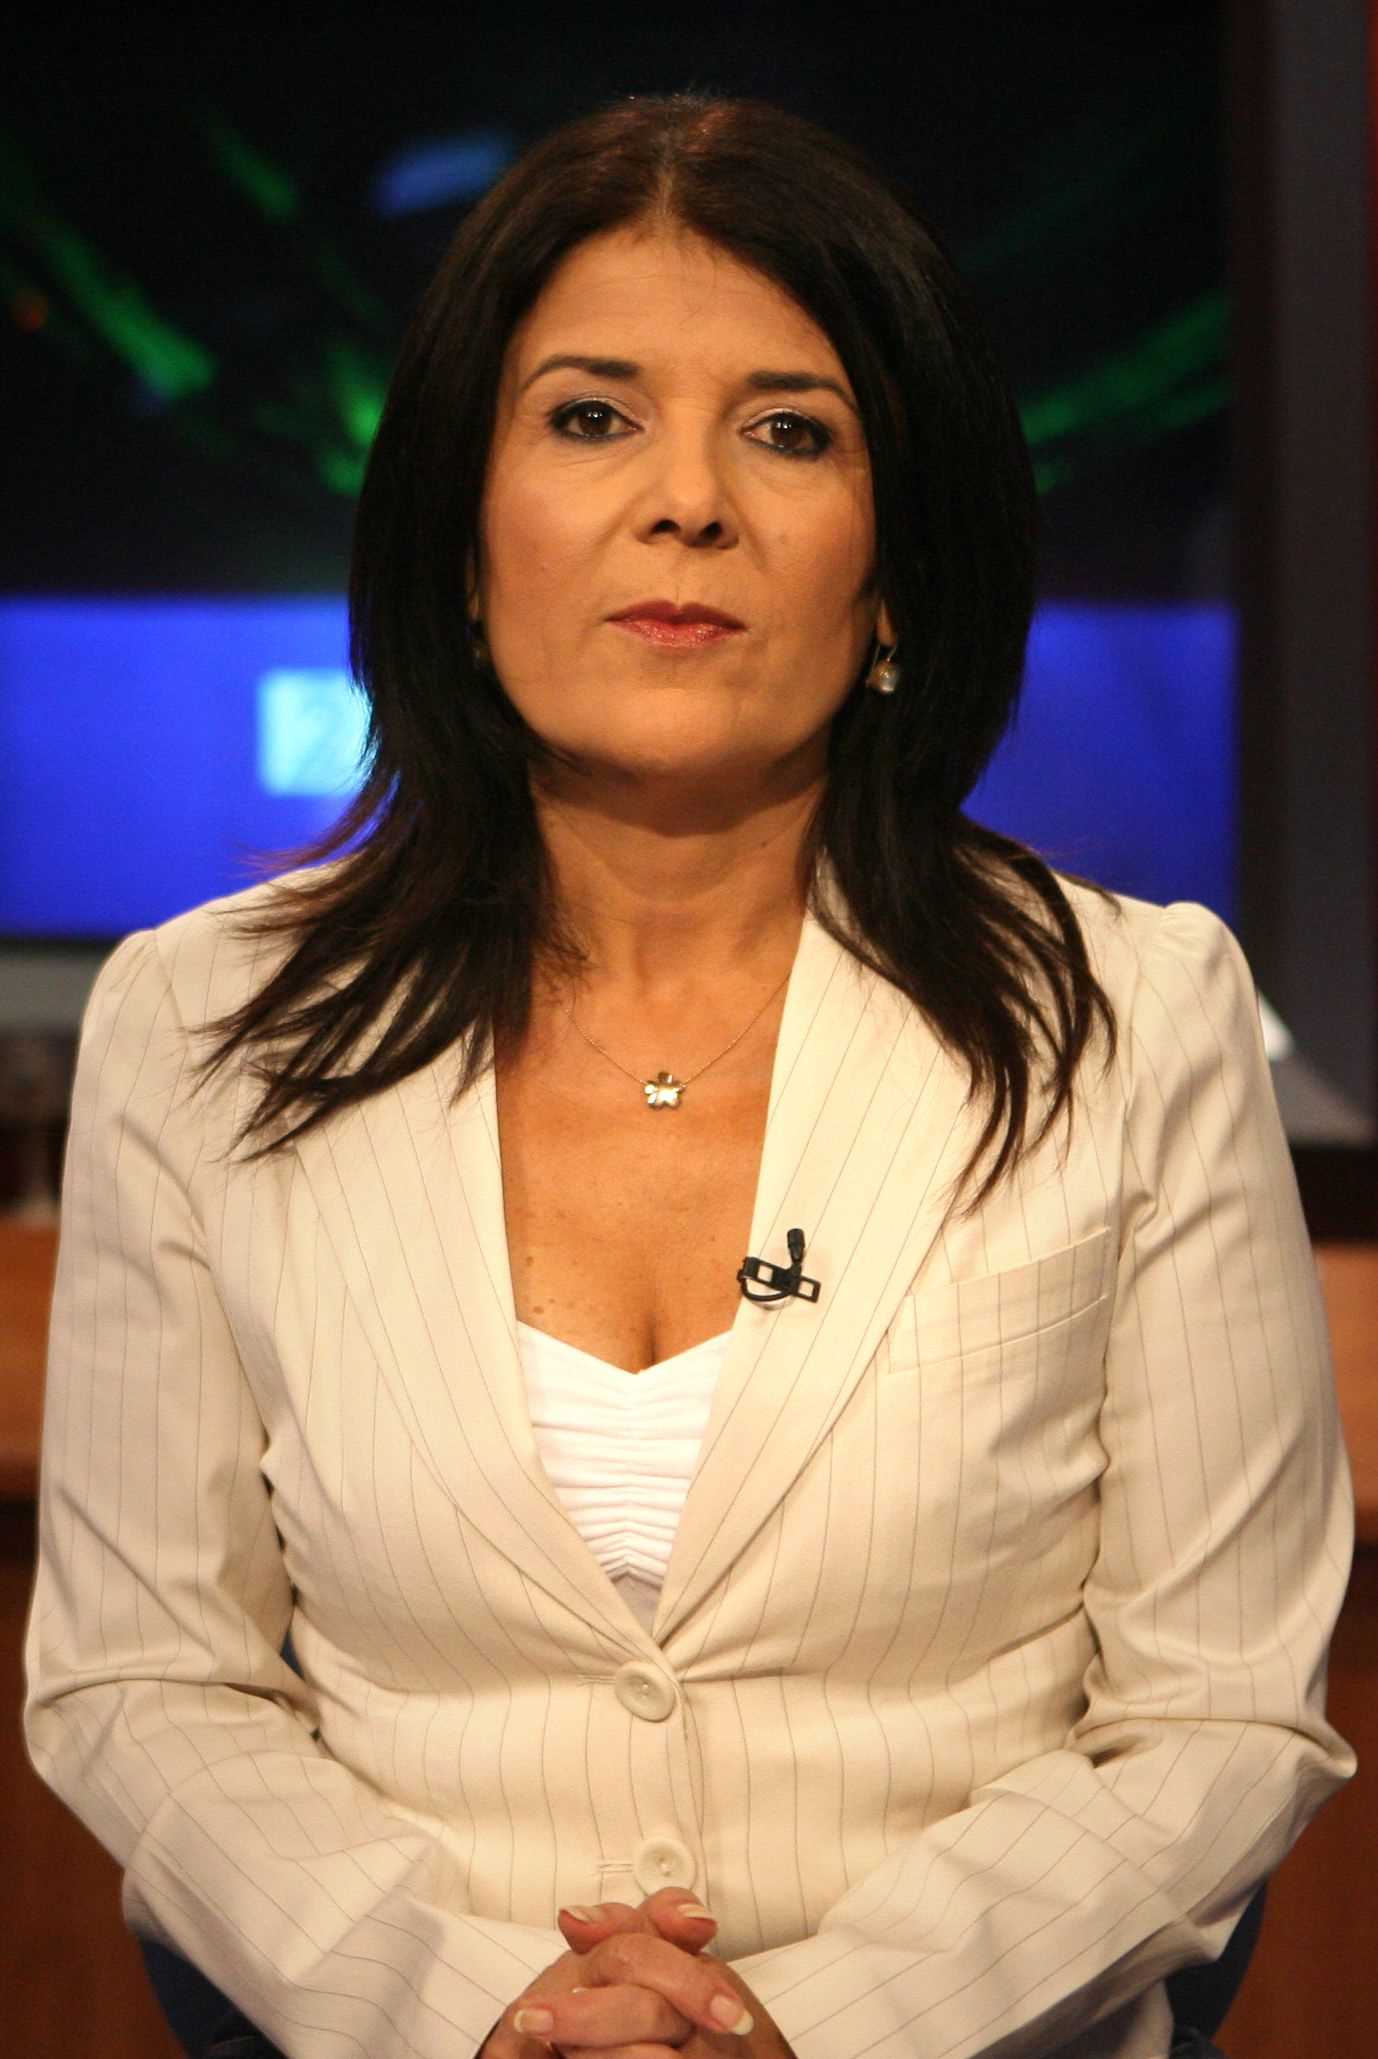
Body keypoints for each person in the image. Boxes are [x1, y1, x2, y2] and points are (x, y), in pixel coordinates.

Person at [24, 91, 1353, 2059]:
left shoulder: (1132, 1018)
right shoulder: (205, 1026)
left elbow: (1215, 1712)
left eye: (789, 431)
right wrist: (478, 2006)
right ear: (460, 533)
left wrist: (806, 2024)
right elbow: (143, 1679)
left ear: (892, 570)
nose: (687, 503)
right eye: (590, 417)